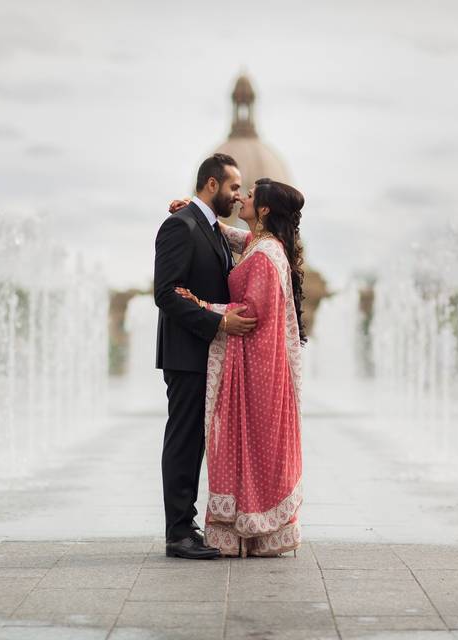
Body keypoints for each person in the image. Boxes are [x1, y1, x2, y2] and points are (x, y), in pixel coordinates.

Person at [170, 178, 306, 557]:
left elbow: (251, 315)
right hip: (254, 363)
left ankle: (251, 527)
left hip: (256, 368)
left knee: (248, 442)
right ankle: (249, 530)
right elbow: (230, 234)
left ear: (263, 209)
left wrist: (200, 304)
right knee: (247, 444)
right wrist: (197, 212)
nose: (241, 198)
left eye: (248, 196)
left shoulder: (265, 256)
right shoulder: (261, 245)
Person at [153, 154, 257, 560]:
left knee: (193, 440)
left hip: (204, 353)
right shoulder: (179, 226)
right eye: (233, 187)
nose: (237, 195)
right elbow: (165, 292)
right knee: (183, 440)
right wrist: (219, 324)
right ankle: (177, 533)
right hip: (186, 352)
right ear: (211, 185)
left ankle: (185, 525)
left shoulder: (209, 227)